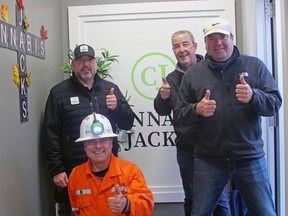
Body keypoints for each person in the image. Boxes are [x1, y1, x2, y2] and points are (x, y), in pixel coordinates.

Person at [175, 18, 282, 216]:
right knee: (199, 213)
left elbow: (275, 103)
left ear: (232, 38)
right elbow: (179, 115)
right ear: (205, 43)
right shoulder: (193, 75)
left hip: (249, 157)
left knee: (265, 212)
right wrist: (196, 110)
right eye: (212, 39)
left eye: (222, 37)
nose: (218, 43)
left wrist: (254, 97)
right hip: (208, 160)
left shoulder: (255, 65)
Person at [44, 44, 134, 215]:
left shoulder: (110, 89)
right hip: (75, 172)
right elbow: (51, 134)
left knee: (112, 210)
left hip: (109, 171)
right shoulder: (58, 93)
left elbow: (128, 123)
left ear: (96, 64)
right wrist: (57, 169)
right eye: (80, 60)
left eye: (90, 60)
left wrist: (117, 108)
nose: (86, 64)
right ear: (73, 65)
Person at [154, 30, 230, 216]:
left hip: (214, 147)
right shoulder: (171, 79)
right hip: (187, 148)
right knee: (191, 196)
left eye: (185, 44)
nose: (182, 50)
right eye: (176, 46)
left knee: (220, 198)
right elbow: (162, 111)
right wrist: (163, 97)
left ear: (195, 46)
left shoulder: (212, 70)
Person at [68, 112, 154, 215]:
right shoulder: (76, 175)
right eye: (91, 142)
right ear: (84, 146)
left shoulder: (130, 171)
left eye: (103, 140)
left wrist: (127, 205)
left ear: (111, 142)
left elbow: (147, 205)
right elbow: (76, 211)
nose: (98, 146)